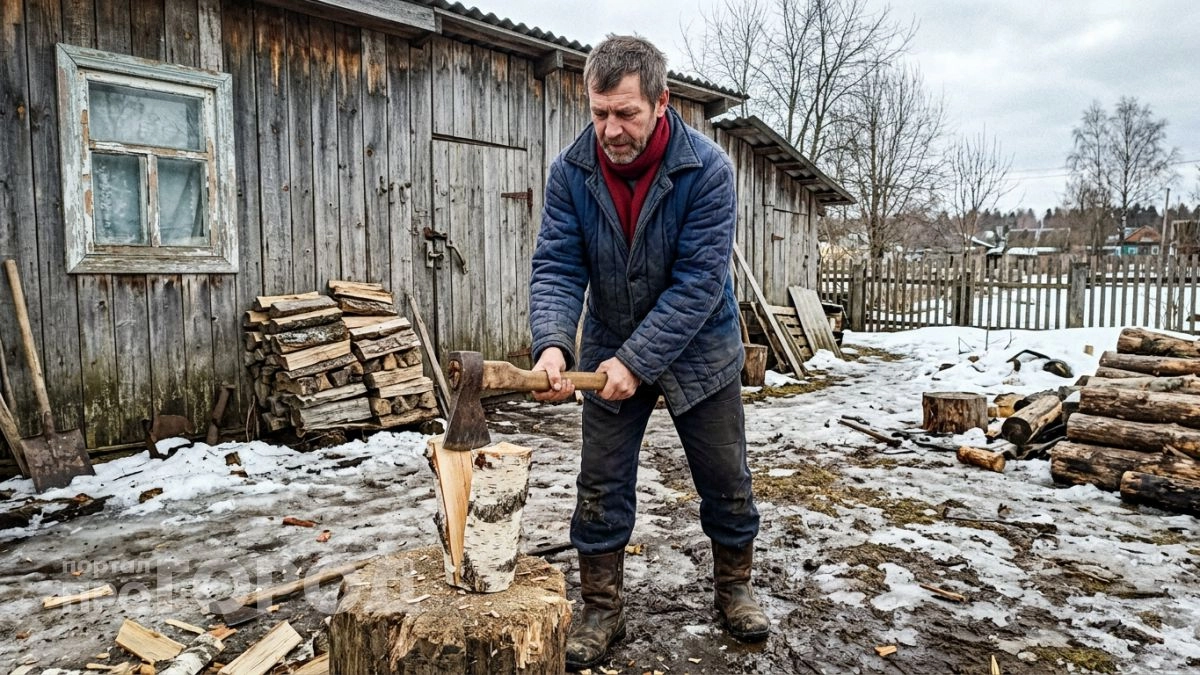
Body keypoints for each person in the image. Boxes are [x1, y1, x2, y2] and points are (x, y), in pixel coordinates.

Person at [528, 34, 768, 671]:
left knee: (725, 476)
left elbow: (697, 285)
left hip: (700, 348)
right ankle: (601, 607)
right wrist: (552, 344)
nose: (610, 129)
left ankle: (734, 586)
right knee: (601, 482)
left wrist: (637, 362)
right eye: (599, 112)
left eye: (625, 113)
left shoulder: (707, 171)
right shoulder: (570, 174)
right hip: (606, 344)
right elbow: (556, 265)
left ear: (662, 102)